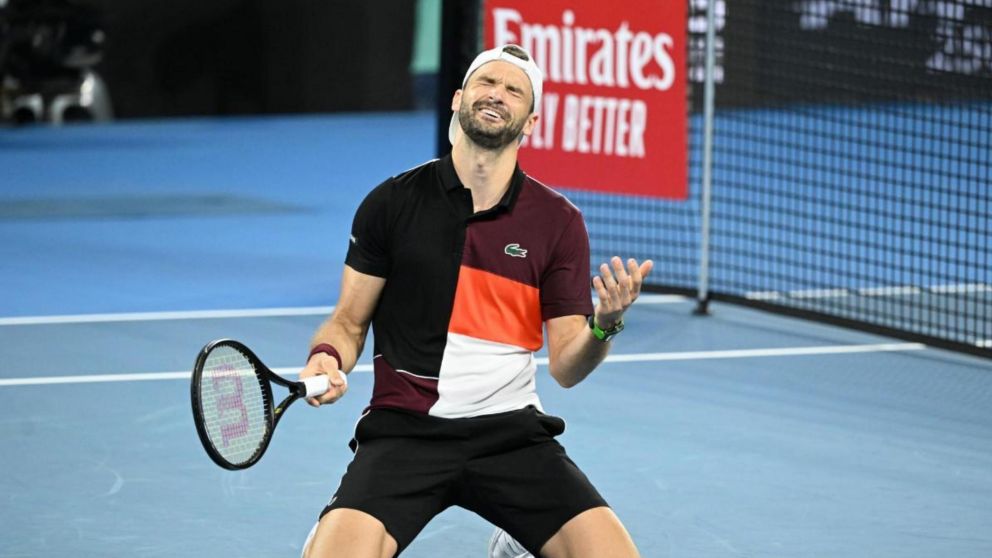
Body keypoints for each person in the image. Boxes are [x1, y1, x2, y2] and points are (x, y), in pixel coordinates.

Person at [299, 44, 652, 558]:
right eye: (487, 82)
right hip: (405, 432)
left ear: (530, 122)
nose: (497, 94)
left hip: (510, 433)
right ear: (459, 98)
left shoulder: (558, 222)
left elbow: (568, 367)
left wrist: (604, 326)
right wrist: (326, 358)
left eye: (514, 90)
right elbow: (348, 323)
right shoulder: (391, 203)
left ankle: (518, 540)